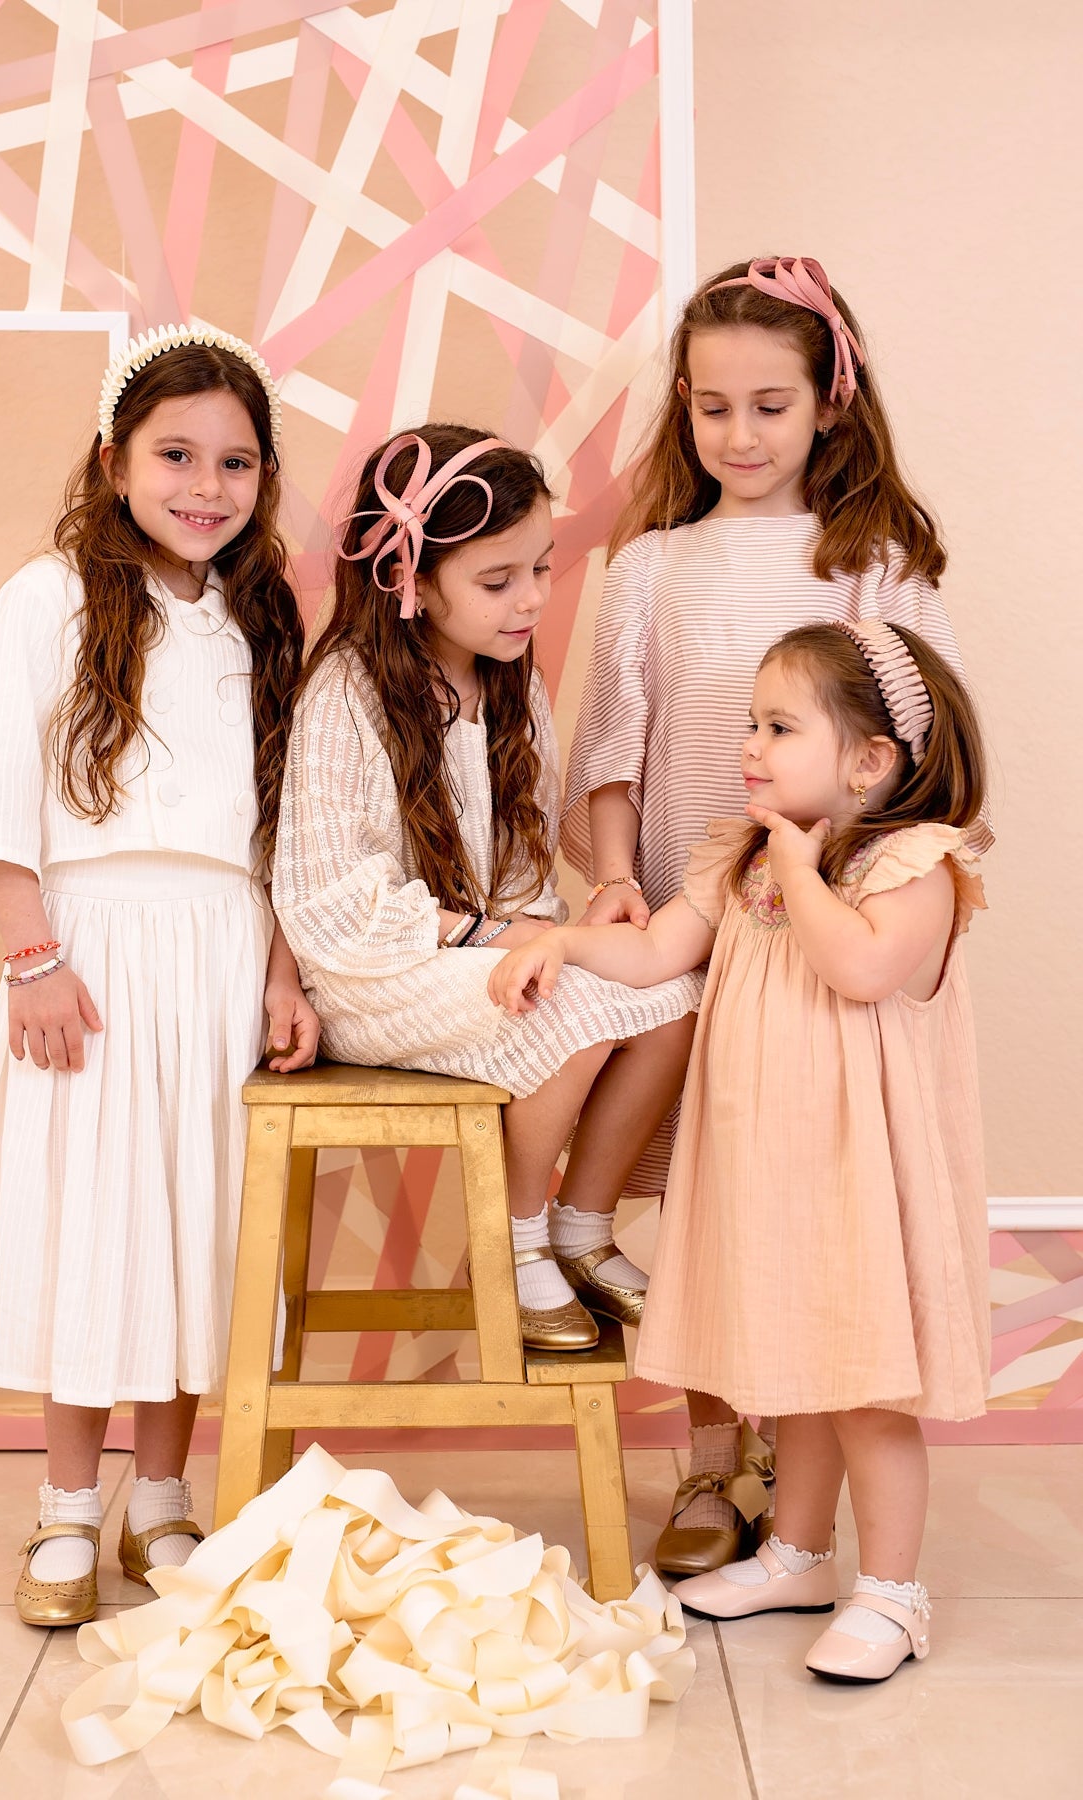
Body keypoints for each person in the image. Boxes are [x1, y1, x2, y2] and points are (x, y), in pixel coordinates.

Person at [561, 255, 991, 1576]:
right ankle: (715, 1458)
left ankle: (818, 1507)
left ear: (830, 405)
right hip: (699, 906)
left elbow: (916, 743)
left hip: (826, 919)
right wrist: (618, 875)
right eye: (711, 408)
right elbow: (612, 746)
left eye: (769, 406)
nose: (738, 435)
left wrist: (858, 886)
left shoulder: (873, 568)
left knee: (813, 1199)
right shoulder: (653, 568)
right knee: (708, 1192)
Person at [490, 619, 990, 1683]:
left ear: (870, 760)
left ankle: (893, 1593)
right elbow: (654, 951)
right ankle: (798, 1554)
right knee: (796, 1371)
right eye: (750, 724)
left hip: (860, 1176)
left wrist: (803, 868)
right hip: (769, 1168)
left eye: (779, 727)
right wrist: (563, 939)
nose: (750, 747)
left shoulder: (915, 867)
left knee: (865, 1387)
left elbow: (860, 969)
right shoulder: (746, 855)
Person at [0, 326, 318, 1629]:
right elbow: (1, 793)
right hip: (88, 951)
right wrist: (32, 955)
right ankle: (65, 1504)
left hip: (220, 950)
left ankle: (161, 1491)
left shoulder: (263, 617)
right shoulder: (43, 600)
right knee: (92, 1217)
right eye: (176, 455)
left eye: (236, 463)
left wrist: (281, 970)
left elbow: (285, 823)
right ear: (112, 461)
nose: (206, 486)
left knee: (193, 1219)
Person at [272, 424, 702, 1353]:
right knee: (565, 1007)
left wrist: (556, 924)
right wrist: (501, 938)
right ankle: (517, 1235)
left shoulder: (512, 687)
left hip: (479, 956)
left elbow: (524, 873)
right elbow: (330, 905)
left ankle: (583, 1226)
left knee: (675, 1001)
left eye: (540, 568)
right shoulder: (346, 690)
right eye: (498, 581)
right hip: (372, 976)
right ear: (411, 579)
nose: (534, 598)